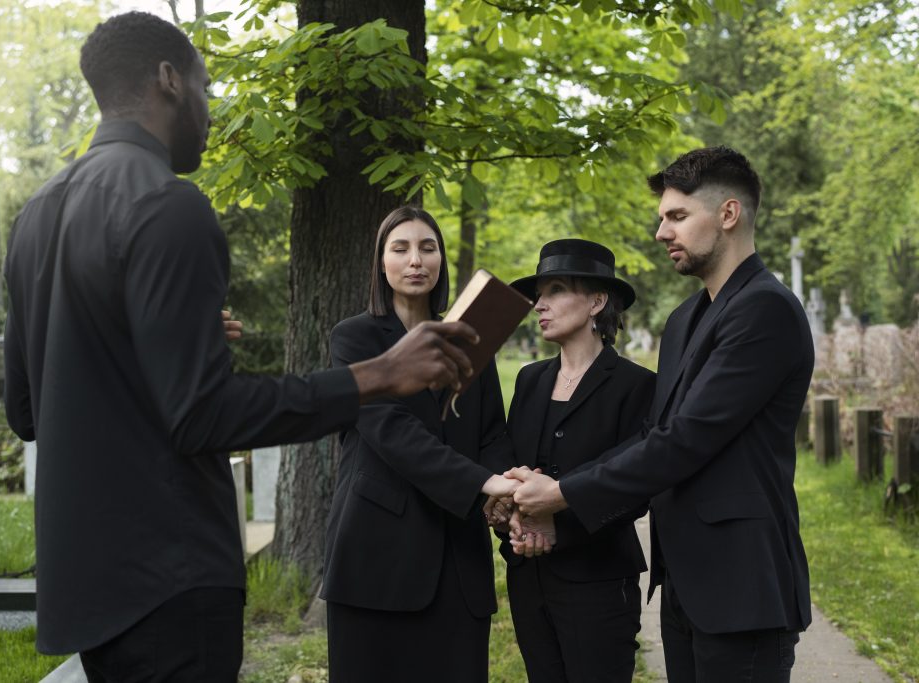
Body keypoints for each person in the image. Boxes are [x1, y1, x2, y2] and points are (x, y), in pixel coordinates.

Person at [2, 13, 478, 682]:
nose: (210, 107)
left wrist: (164, 348)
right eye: (205, 85)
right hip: (171, 576)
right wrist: (374, 375)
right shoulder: (171, 205)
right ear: (169, 80)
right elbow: (202, 415)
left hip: (87, 585)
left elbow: (28, 408)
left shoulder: (36, 214)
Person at [509, 147, 814, 683]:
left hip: (741, 584)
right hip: (685, 585)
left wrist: (560, 495)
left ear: (728, 214)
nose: (661, 232)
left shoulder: (766, 309)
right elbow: (652, 434)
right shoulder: (683, 320)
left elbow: (683, 441)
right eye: (662, 218)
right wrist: (554, 499)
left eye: (676, 216)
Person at [322, 206, 517, 683]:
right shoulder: (354, 339)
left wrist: (504, 490)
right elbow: (390, 430)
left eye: (428, 248)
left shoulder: (471, 338)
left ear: (442, 261)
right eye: (401, 248)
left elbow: (492, 430)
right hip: (376, 557)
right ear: (381, 263)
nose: (416, 260)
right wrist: (484, 483)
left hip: (457, 558)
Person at [492, 239, 655, 683]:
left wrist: (557, 525)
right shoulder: (529, 380)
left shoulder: (636, 385)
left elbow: (634, 488)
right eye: (538, 295)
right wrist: (511, 515)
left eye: (556, 291)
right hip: (529, 577)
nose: (539, 305)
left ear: (597, 302)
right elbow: (513, 465)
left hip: (598, 580)